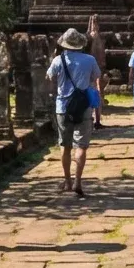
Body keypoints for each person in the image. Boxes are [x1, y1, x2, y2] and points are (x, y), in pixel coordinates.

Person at [47, 27, 103, 196]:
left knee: (65, 145)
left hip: (63, 107)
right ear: (80, 44)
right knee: (81, 146)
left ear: (64, 45)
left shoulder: (58, 60)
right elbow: (96, 77)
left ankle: (67, 181)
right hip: (83, 106)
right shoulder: (89, 59)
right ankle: (78, 181)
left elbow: (49, 77)